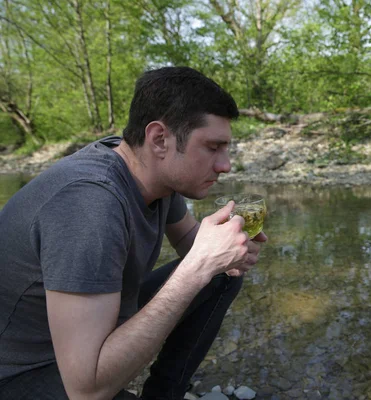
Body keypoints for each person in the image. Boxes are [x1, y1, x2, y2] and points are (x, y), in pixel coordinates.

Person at [0, 66, 267, 400]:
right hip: (22, 373)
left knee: (221, 274)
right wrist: (197, 266)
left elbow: (189, 241)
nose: (225, 165)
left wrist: (224, 252)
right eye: (213, 147)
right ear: (158, 139)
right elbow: (86, 391)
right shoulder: (89, 203)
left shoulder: (151, 175)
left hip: (80, 344)